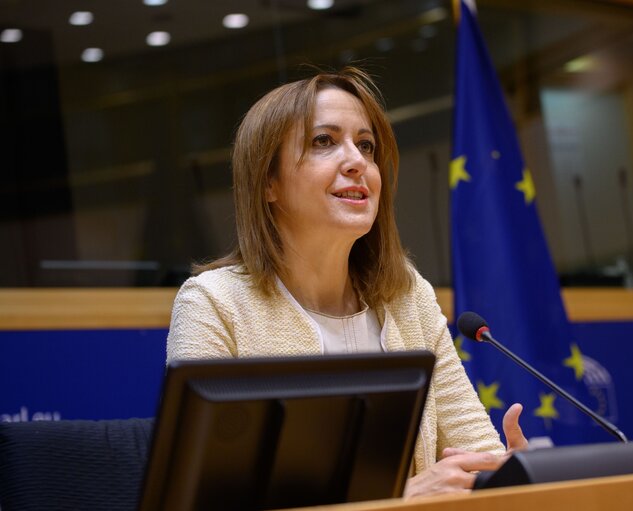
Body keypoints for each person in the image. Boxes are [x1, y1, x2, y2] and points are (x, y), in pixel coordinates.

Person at [166, 67, 527, 498]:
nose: (357, 161)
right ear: (269, 182)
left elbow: (476, 453)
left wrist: (506, 478)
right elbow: (209, 499)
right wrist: (398, 500)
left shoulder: (408, 297)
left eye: (366, 145)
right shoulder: (214, 305)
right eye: (324, 141)